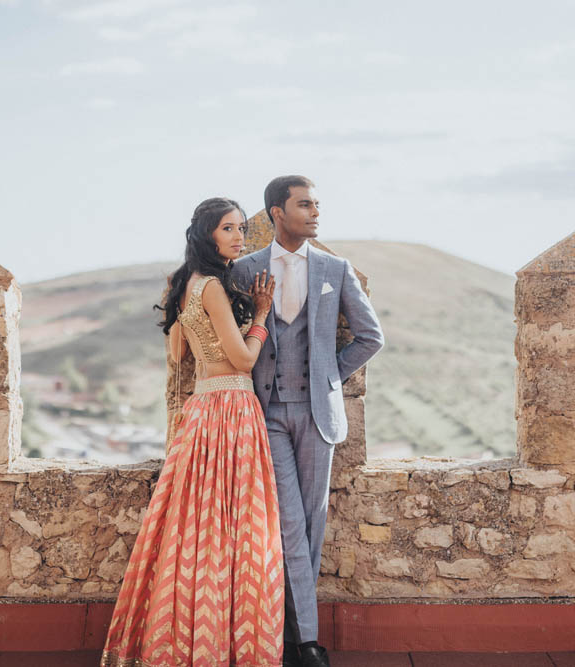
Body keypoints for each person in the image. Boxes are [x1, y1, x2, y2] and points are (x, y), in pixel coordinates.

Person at [102, 197, 284, 667]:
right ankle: (228, 645)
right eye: (229, 229)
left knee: (194, 533)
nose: (240, 236)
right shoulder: (214, 290)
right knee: (240, 532)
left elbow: (181, 356)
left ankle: (187, 640)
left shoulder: (186, 285)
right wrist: (262, 314)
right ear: (208, 236)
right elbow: (243, 360)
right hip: (233, 409)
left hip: (202, 410)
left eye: (242, 228)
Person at [233, 176, 385, 667]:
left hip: (319, 413)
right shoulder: (242, 271)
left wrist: (328, 377)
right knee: (289, 522)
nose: (315, 212)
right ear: (277, 212)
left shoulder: (334, 269)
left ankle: (289, 634)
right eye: (305, 205)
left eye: (318, 204)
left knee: (313, 523)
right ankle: (307, 642)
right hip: (267, 413)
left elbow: (370, 337)